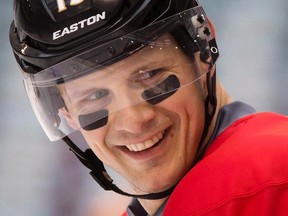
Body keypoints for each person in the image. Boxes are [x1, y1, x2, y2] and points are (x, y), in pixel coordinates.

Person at [9, 0, 288, 215]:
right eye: (94, 96)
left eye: (149, 75)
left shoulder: (266, 184)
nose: (133, 120)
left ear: (201, 46)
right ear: (65, 113)